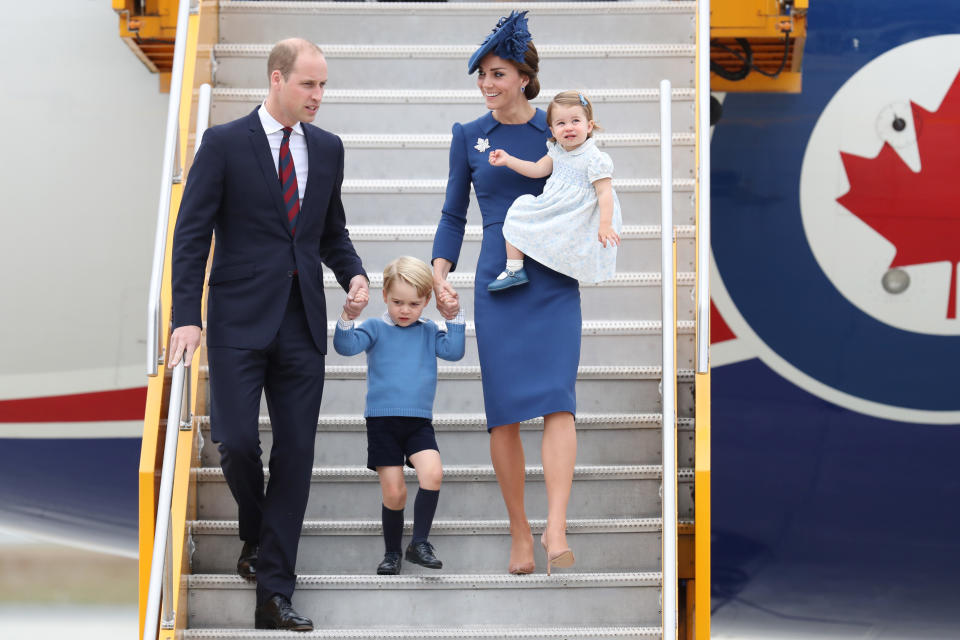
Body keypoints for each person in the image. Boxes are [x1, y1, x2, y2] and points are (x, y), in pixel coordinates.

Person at [168, 38, 369, 631]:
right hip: (236, 321)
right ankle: (256, 533)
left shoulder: (328, 149)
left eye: (324, 85)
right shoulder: (225, 143)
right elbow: (191, 234)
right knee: (234, 442)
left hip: (302, 321)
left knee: (297, 454)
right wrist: (186, 314)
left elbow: (330, 230)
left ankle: (274, 591)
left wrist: (353, 273)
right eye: (309, 84)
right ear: (277, 79)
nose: (319, 96)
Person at [431, 11, 578, 576]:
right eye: (482, 76)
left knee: (559, 401)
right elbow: (453, 212)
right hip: (498, 277)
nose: (487, 85)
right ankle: (520, 528)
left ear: (523, 76)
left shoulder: (557, 129)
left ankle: (555, 525)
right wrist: (440, 271)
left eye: (498, 74)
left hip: (554, 276)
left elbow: (592, 184)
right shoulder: (469, 136)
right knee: (506, 415)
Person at [333, 256, 465, 575]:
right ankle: (392, 552)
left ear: (426, 302)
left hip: (418, 422)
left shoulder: (429, 329)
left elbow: (454, 351)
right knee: (394, 491)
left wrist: (455, 317)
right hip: (382, 423)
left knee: (432, 473)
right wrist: (348, 316)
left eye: (414, 304)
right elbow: (345, 346)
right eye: (397, 302)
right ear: (384, 297)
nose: (404, 310)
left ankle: (419, 542)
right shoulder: (376, 328)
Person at [487, 90, 622, 291]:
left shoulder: (595, 158)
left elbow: (605, 193)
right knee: (519, 211)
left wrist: (605, 225)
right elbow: (537, 169)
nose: (569, 127)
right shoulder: (557, 151)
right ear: (552, 130)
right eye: (561, 123)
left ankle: (559, 267)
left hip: (579, 216)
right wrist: (509, 160)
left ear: (589, 125)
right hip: (556, 208)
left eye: (575, 121)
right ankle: (515, 269)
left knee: (570, 242)